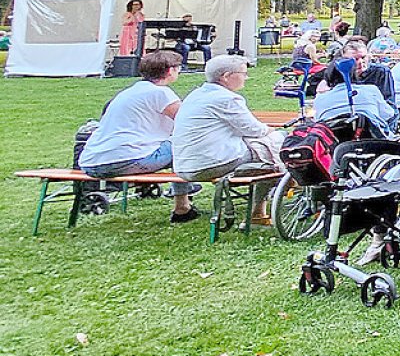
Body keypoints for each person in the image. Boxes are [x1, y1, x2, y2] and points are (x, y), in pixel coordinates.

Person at [79, 51, 198, 221]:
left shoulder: (129, 92)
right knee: (182, 145)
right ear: (170, 71)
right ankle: (182, 206)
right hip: (127, 161)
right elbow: (189, 121)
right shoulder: (160, 93)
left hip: (91, 163)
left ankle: (186, 191)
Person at [172, 55, 281, 225]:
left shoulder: (195, 95)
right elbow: (255, 129)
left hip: (183, 165)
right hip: (212, 163)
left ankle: (260, 210)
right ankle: (258, 212)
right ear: (226, 76)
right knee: (275, 151)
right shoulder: (227, 98)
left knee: (267, 147)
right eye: (243, 73)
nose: (246, 77)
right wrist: (272, 130)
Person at [312, 56, 399, 137]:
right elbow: (388, 114)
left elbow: (319, 122)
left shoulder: (320, 99)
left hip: (336, 147)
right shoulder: (371, 90)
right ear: (354, 74)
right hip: (374, 143)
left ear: (328, 77)